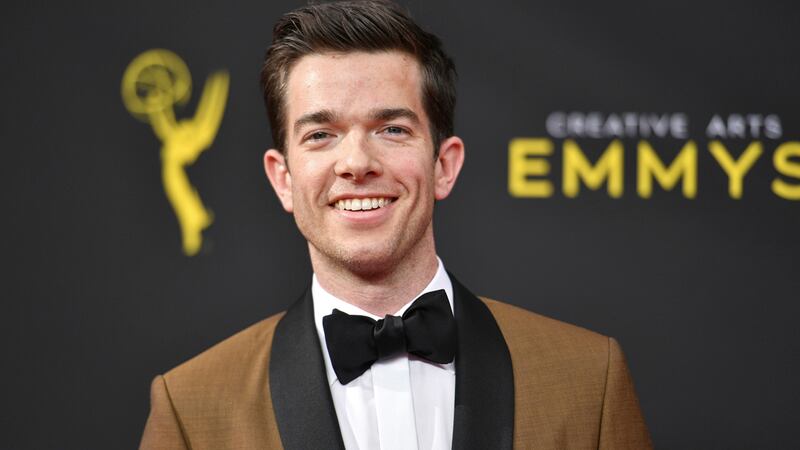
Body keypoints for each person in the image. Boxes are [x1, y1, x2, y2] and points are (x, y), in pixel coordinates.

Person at [139, 1, 652, 449]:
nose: (356, 163)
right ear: (283, 179)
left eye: (391, 129)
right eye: (320, 135)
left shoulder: (589, 381)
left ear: (444, 165)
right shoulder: (192, 407)